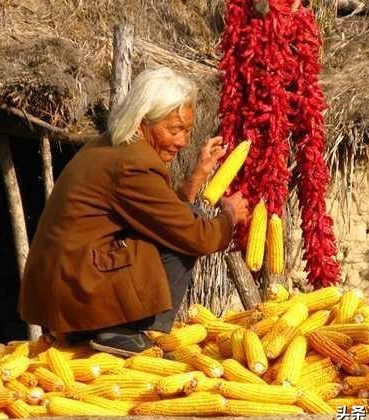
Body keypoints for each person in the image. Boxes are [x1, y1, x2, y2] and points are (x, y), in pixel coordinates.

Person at [18, 67, 249, 353]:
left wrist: (197, 177)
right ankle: (120, 331)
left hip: (64, 284)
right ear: (142, 123)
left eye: (187, 131)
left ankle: (97, 327)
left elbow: (159, 212)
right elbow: (195, 236)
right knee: (192, 230)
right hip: (77, 286)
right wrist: (228, 216)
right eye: (174, 130)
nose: (183, 142)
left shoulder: (110, 144)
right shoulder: (134, 164)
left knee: (182, 225)